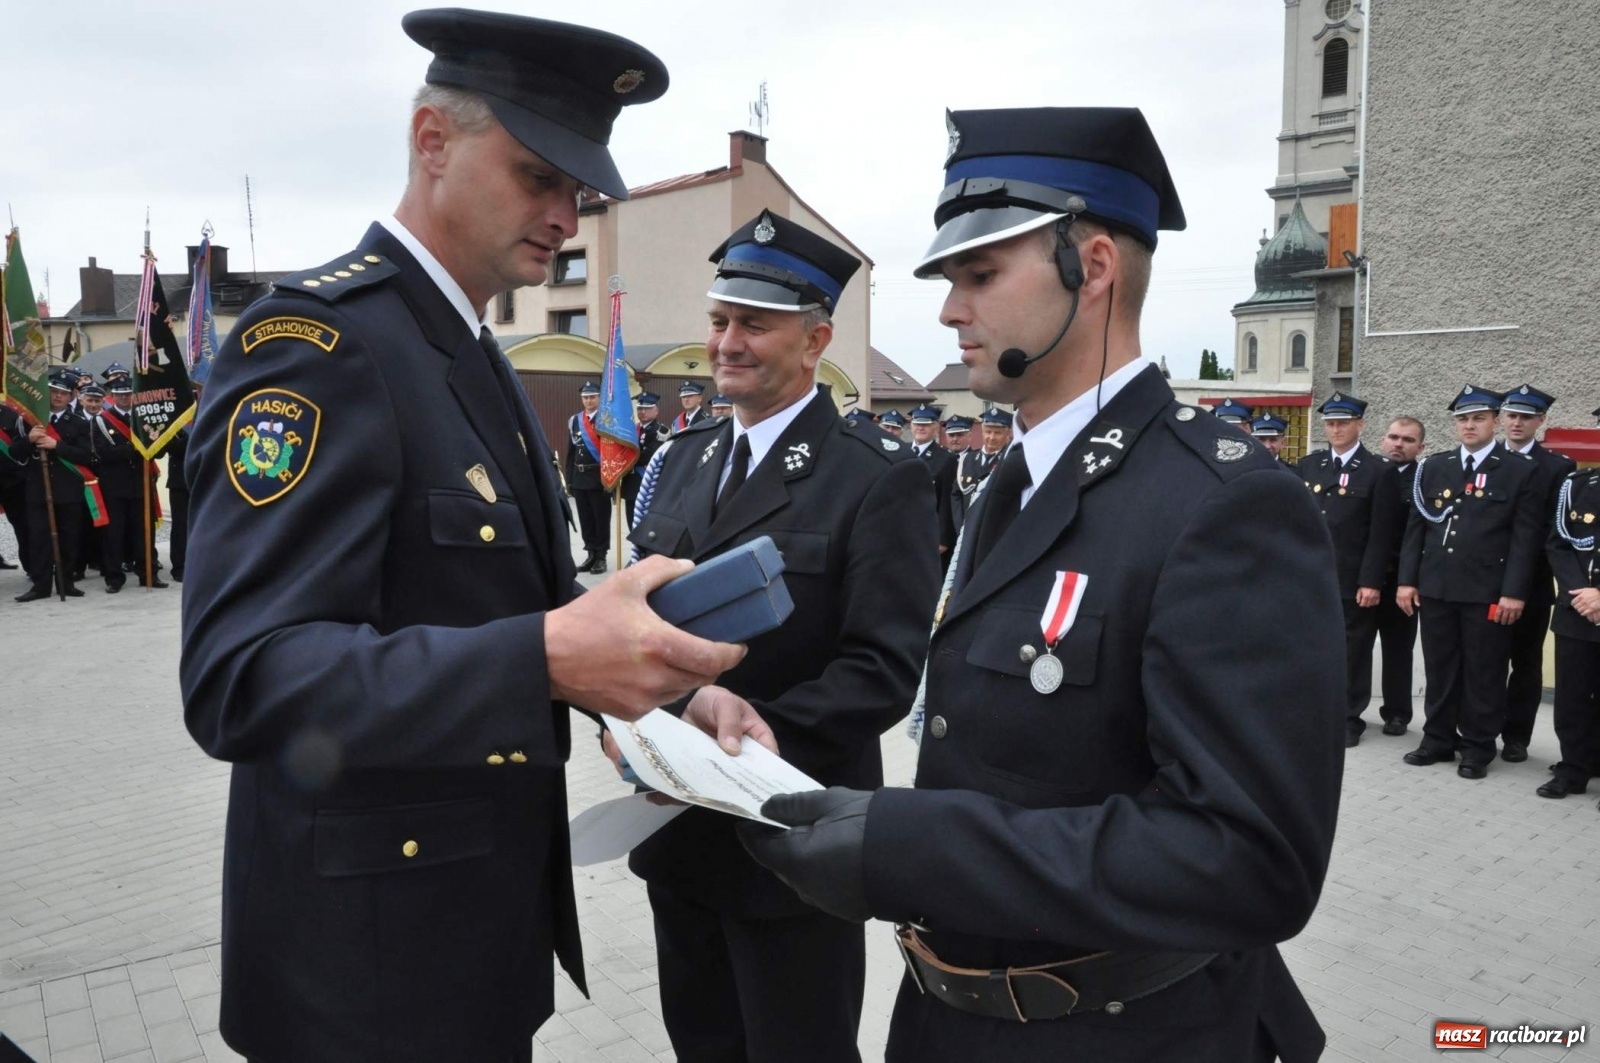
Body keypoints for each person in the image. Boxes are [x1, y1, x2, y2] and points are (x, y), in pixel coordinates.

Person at [177, 13, 752, 1061]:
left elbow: (504, 609)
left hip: (462, 945)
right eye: (538, 176)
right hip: (362, 980)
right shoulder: (319, 347)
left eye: (578, 191)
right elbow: (241, 675)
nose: (563, 218)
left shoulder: (467, 352)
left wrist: (663, 683)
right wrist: (544, 658)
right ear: (431, 141)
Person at [741, 106, 1345, 1063]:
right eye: (949, 279)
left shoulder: (1224, 503)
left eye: (980, 274)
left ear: (1093, 267)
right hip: (951, 1015)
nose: (948, 309)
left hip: (1117, 1032)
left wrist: (911, 849)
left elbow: (1253, 858)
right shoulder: (1013, 480)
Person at [622, 209, 939, 1063]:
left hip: (795, 846)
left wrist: (749, 734)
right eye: (720, 320)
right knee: (703, 1045)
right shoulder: (681, 459)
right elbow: (638, 626)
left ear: (815, 340)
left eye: (753, 324)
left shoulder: (878, 479)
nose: (726, 341)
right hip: (678, 836)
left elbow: (882, 669)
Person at [1396, 386, 1544, 779]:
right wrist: (1407, 581)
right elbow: (1417, 529)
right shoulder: (1435, 467)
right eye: (1462, 419)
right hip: (1437, 586)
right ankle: (1438, 740)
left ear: (1495, 421)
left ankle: (1478, 746)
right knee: (1440, 667)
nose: (1469, 425)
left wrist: (1513, 591)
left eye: (1478, 418)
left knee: (1484, 670)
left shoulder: (1519, 470)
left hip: (1487, 590)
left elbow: (1524, 539)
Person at [1297, 393, 1404, 746]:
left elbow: (1381, 533)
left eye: (1343, 422)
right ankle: (1314, 711)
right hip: (1312, 577)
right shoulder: (1310, 466)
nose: (1336, 429)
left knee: (1353, 651)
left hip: (1352, 580)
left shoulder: (1380, 471)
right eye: (1330, 423)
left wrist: (1371, 581)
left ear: (1360, 425)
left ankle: (1347, 718)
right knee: (1312, 646)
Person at [1497, 384, 1575, 762]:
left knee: (1525, 662)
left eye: (1526, 417)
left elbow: (1555, 528)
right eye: (1511, 415)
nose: (1517, 422)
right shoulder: (1486, 459)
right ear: (1501, 419)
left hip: (1532, 582)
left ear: (1541, 421)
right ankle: (1479, 729)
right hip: (1485, 580)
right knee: (1484, 660)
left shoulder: (1558, 467)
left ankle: (1516, 737)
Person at [1541, 420, 1600, 802]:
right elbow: (1559, 544)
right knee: (1572, 697)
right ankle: (1573, 768)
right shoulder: (1578, 486)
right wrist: (1585, 594)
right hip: (1578, 609)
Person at [12, 372, 94, 601]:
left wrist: (56, 445)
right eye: (54, 391)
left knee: (69, 537)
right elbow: (14, 452)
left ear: (71, 396)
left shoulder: (79, 422)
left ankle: (66, 583)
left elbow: (87, 456)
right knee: (39, 538)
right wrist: (29, 440)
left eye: (64, 393)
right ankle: (41, 586)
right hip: (38, 488)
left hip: (68, 488)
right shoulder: (29, 420)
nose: (58, 396)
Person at [1376, 416, 1426, 733]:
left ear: (1420, 447)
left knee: (1398, 648)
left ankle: (1397, 713)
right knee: (1353, 648)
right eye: (1393, 436)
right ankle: (1348, 709)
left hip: (1401, 578)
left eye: (1408, 440)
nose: (1398, 443)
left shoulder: (1425, 478)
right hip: (1363, 578)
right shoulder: (1369, 473)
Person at [564, 380, 612, 573]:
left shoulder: (607, 419)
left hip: (599, 477)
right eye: (585, 397)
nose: (588, 400)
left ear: (599, 398)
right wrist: (569, 479)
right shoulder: (575, 420)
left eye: (592, 397)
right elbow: (570, 452)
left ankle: (601, 557)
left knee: (600, 519)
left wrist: (611, 478)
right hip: (580, 476)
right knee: (586, 520)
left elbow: (611, 451)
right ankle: (590, 554)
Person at [910, 403, 958, 569]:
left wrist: (943, 539)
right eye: (917, 424)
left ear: (936, 427)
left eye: (926, 424)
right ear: (911, 426)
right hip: (902, 530)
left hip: (928, 533)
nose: (921, 428)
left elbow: (946, 501)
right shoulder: (901, 453)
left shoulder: (946, 459)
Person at [952, 408, 1009, 528]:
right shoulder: (967, 459)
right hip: (966, 528)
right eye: (988, 432)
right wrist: (961, 526)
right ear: (982, 433)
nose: (992, 437)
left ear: (1008, 434)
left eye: (997, 433)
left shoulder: (1010, 459)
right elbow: (956, 495)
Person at [619, 390, 668, 527]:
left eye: (647, 408)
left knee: (648, 527)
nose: (642, 412)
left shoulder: (661, 431)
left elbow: (647, 456)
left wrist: (627, 457)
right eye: (640, 408)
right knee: (632, 524)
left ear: (656, 410)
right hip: (631, 485)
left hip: (648, 484)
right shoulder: (631, 430)